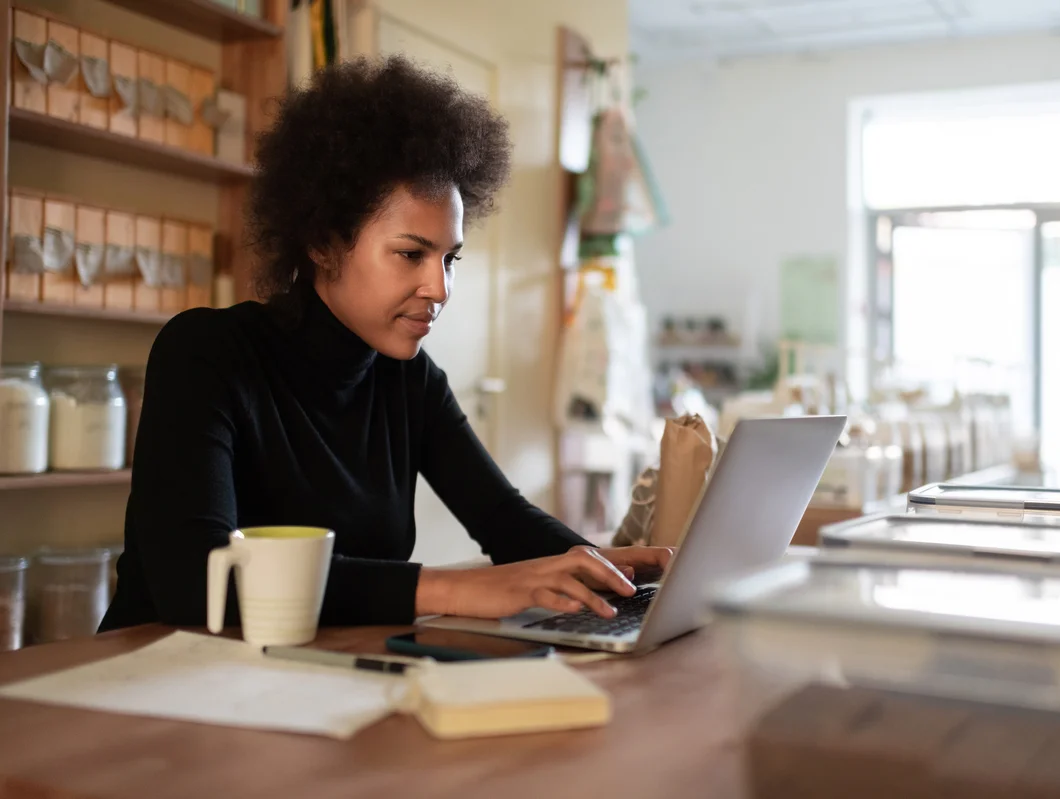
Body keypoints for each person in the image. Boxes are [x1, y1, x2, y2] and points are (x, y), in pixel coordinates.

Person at [99, 57, 671, 632]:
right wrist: (450, 589)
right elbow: (196, 580)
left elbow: (503, 518)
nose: (439, 288)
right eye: (410, 254)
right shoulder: (206, 353)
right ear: (324, 243)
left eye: (449, 259)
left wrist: (597, 569)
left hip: (306, 679)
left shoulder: (410, 380)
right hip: (156, 682)